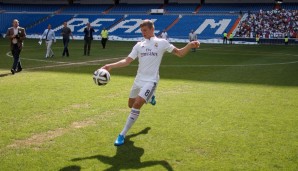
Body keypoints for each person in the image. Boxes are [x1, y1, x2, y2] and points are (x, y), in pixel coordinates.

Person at [100, 19, 200, 146]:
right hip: (138, 80)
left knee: (137, 105)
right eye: (142, 31)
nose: (143, 33)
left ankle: (122, 134)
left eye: (145, 30)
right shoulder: (138, 45)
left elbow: (179, 53)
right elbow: (127, 61)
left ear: (152, 29)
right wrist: (110, 66)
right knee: (130, 105)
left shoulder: (162, 43)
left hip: (151, 80)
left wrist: (190, 45)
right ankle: (151, 96)